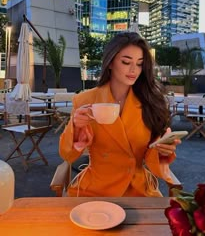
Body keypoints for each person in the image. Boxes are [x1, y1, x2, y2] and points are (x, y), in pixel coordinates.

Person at [59, 32, 181, 197]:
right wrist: (75, 127)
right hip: (96, 190)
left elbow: (152, 161)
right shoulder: (85, 100)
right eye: (126, 62)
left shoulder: (150, 102)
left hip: (138, 191)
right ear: (110, 63)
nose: (133, 70)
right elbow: (68, 155)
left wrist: (163, 150)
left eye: (139, 64)